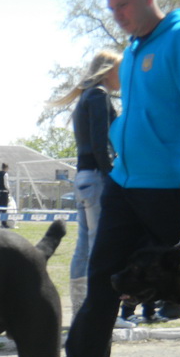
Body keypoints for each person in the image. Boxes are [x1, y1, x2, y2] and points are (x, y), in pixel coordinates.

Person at [60, 0, 180, 357]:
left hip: (172, 186)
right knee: (104, 273)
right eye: (111, 7)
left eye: (123, 4)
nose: (117, 14)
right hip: (124, 182)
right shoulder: (132, 52)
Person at [51, 50, 121, 318]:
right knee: (98, 246)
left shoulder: (85, 97)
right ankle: (97, 312)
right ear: (108, 70)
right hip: (96, 177)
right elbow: (101, 144)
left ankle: (82, 310)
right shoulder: (99, 95)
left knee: (84, 246)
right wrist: (112, 175)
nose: (122, 76)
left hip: (83, 178)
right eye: (119, 70)